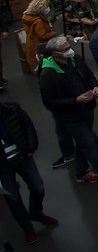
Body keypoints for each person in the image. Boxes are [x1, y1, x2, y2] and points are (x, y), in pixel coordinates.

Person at [38, 36, 98, 193]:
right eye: (65, 49)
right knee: (89, 144)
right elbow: (49, 102)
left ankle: (81, 172)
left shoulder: (74, 59)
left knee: (83, 143)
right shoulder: (47, 74)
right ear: (55, 53)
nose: (69, 51)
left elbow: (89, 75)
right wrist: (75, 100)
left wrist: (95, 86)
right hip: (70, 117)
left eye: (69, 47)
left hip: (87, 108)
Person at [0, 101, 57, 244]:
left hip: (22, 156)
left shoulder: (12, 108)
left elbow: (28, 126)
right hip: (2, 167)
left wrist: (31, 147)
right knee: (13, 199)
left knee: (38, 187)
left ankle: (36, 213)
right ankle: (27, 228)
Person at [21, 0, 56, 76]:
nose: (47, 8)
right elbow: (42, 36)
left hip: (32, 45)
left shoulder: (28, 17)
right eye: (46, 6)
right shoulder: (38, 21)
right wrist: (54, 33)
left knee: (41, 66)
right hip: (39, 46)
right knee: (47, 68)